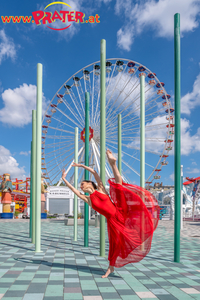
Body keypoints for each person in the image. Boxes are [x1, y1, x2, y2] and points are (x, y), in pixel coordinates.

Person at [62, 149, 159, 278]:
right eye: (80, 185)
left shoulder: (101, 189)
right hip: (113, 221)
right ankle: (110, 268)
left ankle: (113, 163)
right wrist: (64, 179)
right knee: (115, 245)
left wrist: (80, 166)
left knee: (118, 186)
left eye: (83, 184)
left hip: (120, 211)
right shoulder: (88, 199)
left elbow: (95, 172)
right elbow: (73, 190)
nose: (81, 186)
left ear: (90, 183)